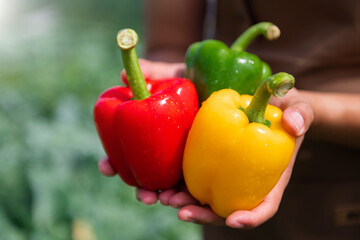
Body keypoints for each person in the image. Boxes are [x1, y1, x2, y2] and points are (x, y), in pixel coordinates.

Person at [99, 0, 360, 239]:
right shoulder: (223, 103)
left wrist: (308, 112)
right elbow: (169, 44)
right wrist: (161, 113)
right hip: (216, 172)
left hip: (340, 199)